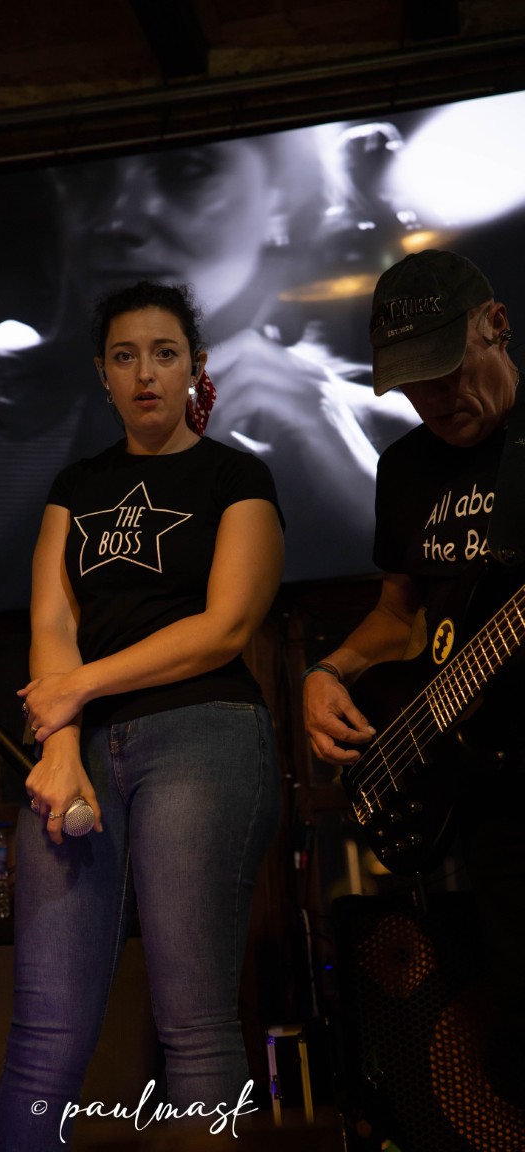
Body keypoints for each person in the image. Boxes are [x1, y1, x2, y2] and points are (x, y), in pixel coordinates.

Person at [0, 126, 418, 621]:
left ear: (283, 200)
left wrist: (360, 496)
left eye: (186, 171)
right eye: (88, 176)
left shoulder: (386, 436)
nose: (114, 219)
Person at [0, 280, 285, 1150]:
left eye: (164, 353)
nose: (145, 373)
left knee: (194, 1026)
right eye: (125, 357)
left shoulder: (237, 476)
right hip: (79, 749)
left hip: (204, 733)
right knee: (42, 1038)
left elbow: (224, 628)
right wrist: (60, 749)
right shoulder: (75, 485)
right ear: (103, 375)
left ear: (196, 366)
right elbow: (52, 623)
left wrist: (77, 690)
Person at [303, 248, 525, 1109]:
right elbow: (400, 616)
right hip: (487, 791)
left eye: (449, 370)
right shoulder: (405, 469)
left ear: (495, 326)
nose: (436, 399)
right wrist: (330, 670)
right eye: (415, 385)